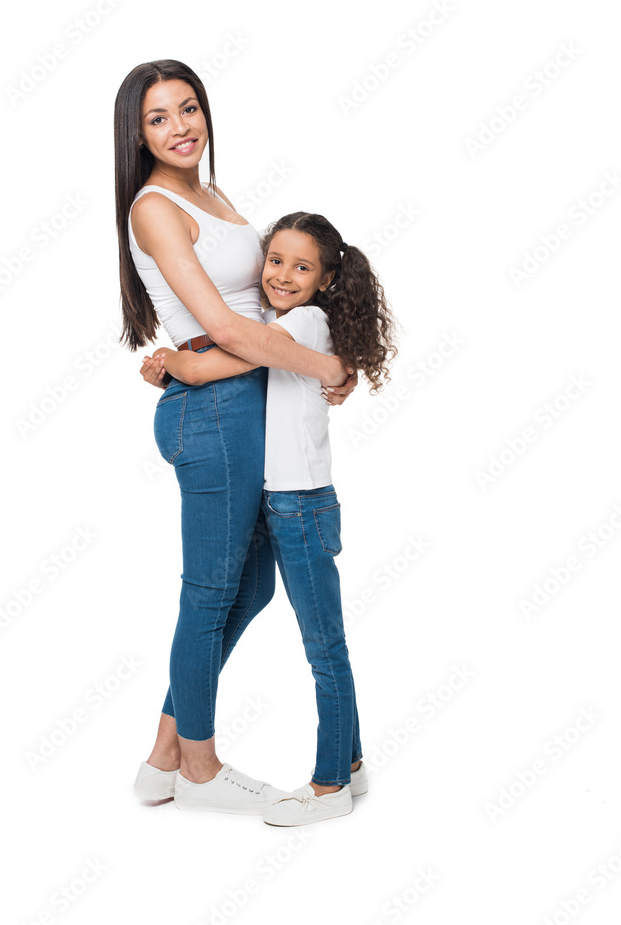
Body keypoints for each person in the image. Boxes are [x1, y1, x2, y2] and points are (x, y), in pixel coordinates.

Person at [115, 59, 357, 815]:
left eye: (188, 108)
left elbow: (255, 306)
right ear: (137, 133)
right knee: (212, 591)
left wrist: (303, 363)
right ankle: (199, 768)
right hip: (213, 414)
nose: (180, 126)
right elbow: (222, 325)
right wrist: (325, 365)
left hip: (244, 400)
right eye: (159, 118)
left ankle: (162, 758)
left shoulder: (208, 192)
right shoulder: (155, 207)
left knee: (245, 586)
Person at [142, 211, 398, 824]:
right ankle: (352, 765)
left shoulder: (302, 324)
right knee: (309, 634)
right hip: (284, 499)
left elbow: (209, 364)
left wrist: (169, 363)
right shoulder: (295, 323)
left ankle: (331, 784)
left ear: (327, 280)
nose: (281, 275)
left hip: (300, 505)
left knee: (323, 647)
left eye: (301, 266)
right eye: (275, 260)